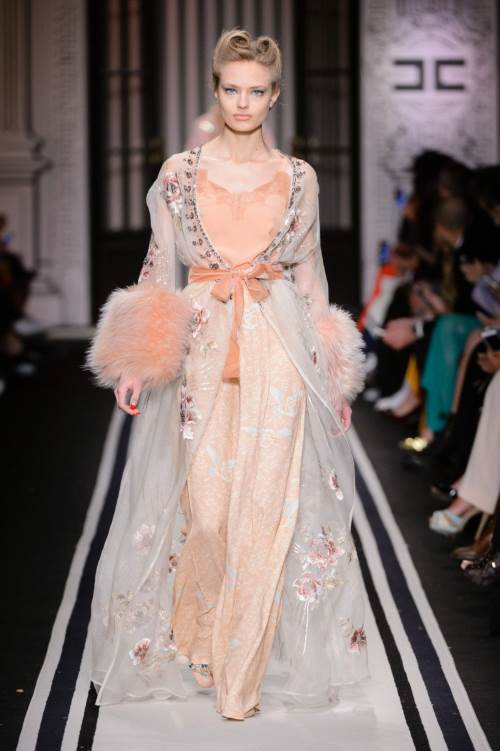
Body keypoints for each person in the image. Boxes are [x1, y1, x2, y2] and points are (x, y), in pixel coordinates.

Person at [85, 28, 368, 721]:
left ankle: (242, 678)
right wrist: (136, 357)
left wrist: (333, 376)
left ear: (274, 96)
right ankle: (204, 635)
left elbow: (311, 275)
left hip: (281, 349)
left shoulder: (299, 177)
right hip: (204, 347)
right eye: (232, 89)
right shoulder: (179, 174)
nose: (243, 102)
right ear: (217, 91)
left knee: (265, 515)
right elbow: (160, 264)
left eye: (256, 91)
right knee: (208, 516)